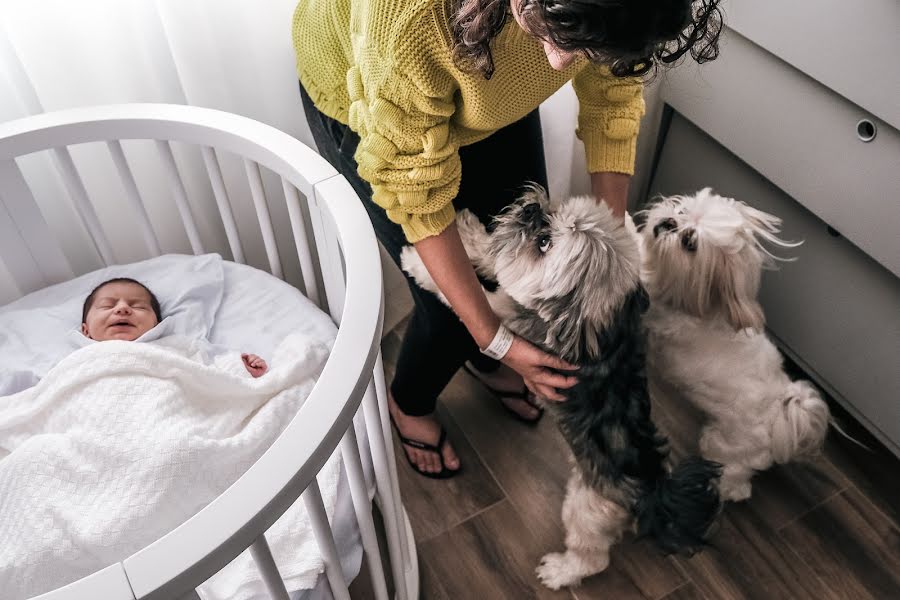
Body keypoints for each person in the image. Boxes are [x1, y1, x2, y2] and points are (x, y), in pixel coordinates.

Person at [292, 0, 722, 477]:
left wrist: (610, 239)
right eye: (563, 33)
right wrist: (494, 339)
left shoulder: (598, 19)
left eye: (585, 45)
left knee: (516, 278)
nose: (559, 62)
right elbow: (418, 197)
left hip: (488, 81)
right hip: (376, 104)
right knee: (449, 310)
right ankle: (409, 402)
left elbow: (613, 91)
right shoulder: (409, 19)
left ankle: (481, 360)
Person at [81, 278, 268, 378]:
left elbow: (210, 366)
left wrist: (240, 366)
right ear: (86, 330)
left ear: (156, 323)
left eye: (138, 306)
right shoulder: (78, 359)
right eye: (107, 305)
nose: (122, 309)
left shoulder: (173, 345)